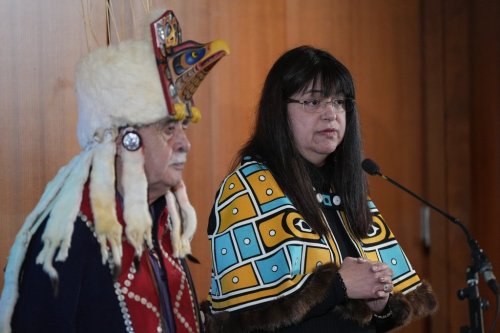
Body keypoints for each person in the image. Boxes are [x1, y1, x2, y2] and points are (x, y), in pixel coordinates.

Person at [0, 10, 229, 333]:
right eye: (167, 129)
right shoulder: (69, 234)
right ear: (126, 140)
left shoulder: (163, 221)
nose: (185, 144)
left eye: (183, 127)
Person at [201, 46, 437, 332]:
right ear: (278, 110)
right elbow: (244, 321)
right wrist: (338, 286)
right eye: (313, 102)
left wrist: (382, 306)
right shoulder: (246, 189)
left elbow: (378, 321)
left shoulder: (345, 189)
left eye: (339, 102)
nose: (331, 114)